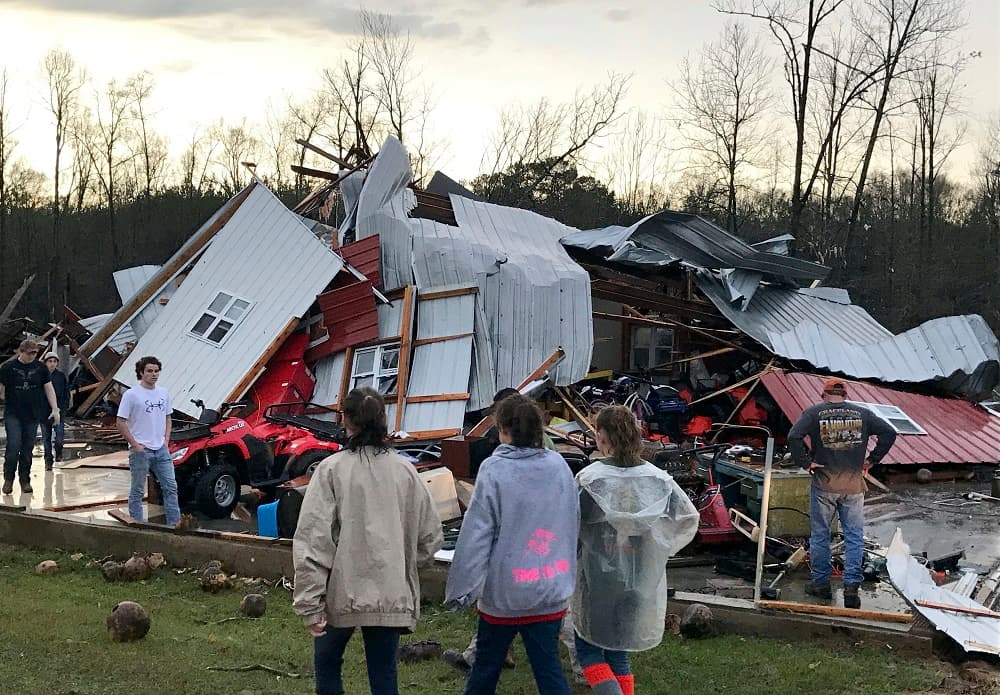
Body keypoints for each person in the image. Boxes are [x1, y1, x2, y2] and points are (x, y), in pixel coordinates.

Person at [293, 387, 443, 695]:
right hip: (388, 592)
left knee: (328, 662)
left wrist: (310, 603)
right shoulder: (405, 471)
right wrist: (400, 569)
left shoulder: (331, 470)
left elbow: (313, 541)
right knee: (384, 672)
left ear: (346, 421)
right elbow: (430, 537)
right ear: (383, 419)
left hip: (342, 592)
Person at [445, 393, 579, 695]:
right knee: (549, 671)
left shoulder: (494, 470)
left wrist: (460, 589)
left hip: (505, 594)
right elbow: (571, 521)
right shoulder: (558, 466)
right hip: (550, 586)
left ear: (502, 430)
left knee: (485, 670)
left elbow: (476, 534)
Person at [572, 405, 699, 695]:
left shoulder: (591, 480)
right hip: (640, 578)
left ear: (603, 437)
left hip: (598, 578)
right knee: (618, 648)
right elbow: (688, 518)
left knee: (589, 648)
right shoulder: (658, 480)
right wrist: (663, 549)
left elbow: (569, 524)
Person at [787, 377, 897, 609]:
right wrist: (871, 460)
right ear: (845, 395)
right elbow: (889, 432)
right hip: (853, 487)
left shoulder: (814, 413)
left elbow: (793, 436)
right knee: (854, 537)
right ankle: (851, 588)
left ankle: (821, 585)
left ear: (823, 394)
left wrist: (805, 463)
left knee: (820, 536)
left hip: (824, 485)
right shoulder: (863, 414)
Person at [116, 356, 181, 527]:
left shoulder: (163, 393)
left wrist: (166, 440)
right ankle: (138, 526)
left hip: (160, 448)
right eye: (149, 371)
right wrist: (135, 445)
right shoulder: (131, 395)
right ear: (141, 373)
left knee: (170, 487)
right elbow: (120, 421)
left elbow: (168, 418)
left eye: (156, 371)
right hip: (140, 450)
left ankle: (175, 525)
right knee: (137, 490)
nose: (154, 374)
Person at [0, 339, 60, 495]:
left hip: (33, 415)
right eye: (29, 353)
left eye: (35, 353)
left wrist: (55, 409)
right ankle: (8, 478)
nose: (32, 356)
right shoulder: (8, 368)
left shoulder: (40, 368)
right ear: (21, 352)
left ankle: (25, 480)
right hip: (13, 414)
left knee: (27, 448)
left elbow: (49, 388)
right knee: (13, 446)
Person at [39, 353, 70, 470]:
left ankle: (59, 453)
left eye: (54, 361)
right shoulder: (40, 376)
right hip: (44, 413)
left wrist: (64, 408)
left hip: (59, 411)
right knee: (46, 439)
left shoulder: (61, 376)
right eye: (50, 361)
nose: (52, 363)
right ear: (46, 362)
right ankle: (48, 461)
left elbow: (66, 393)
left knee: (59, 437)